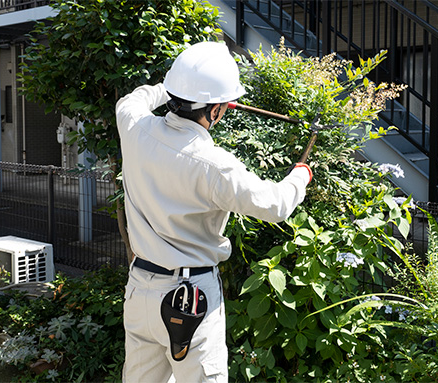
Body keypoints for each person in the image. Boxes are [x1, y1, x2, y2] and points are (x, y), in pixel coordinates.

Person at [116, 41, 312, 383]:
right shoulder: (213, 165)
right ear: (217, 110)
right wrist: (301, 174)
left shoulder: (133, 126)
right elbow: (277, 204)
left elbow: (134, 99)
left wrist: (172, 87)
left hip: (139, 288)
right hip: (188, 299)